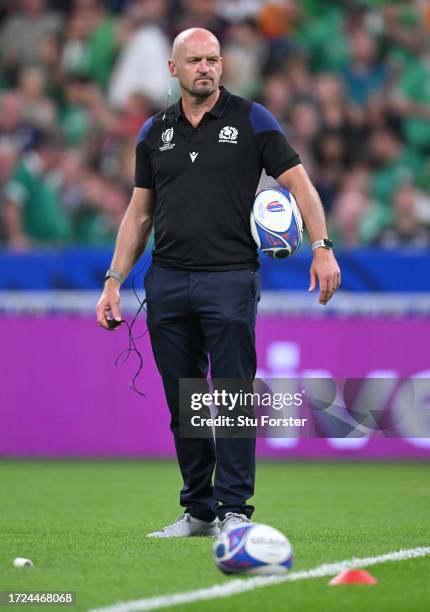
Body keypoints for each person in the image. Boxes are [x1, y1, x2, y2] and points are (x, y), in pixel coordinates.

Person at [96, 27, 341, 538]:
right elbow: (139, 214)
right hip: (166, 281)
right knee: (185, 401)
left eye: (213, 59)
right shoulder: (153, 132)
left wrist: (322, 247)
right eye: (195, 61)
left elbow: (300, 185)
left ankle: (233, 508)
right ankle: (199, 510)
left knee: (229, 396)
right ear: (173, 69)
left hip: (230, 278)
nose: (206, 68)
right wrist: (114, 280)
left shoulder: (253, 119)